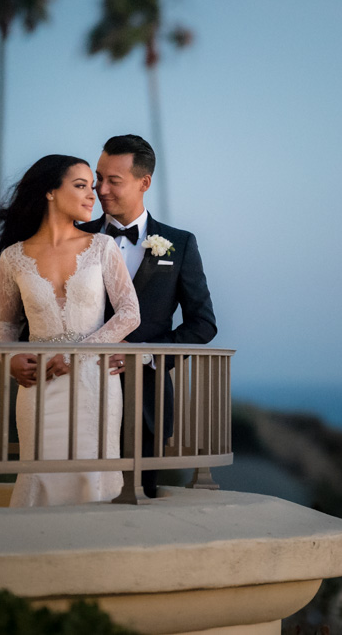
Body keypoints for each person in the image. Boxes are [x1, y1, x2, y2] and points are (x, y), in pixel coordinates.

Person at [0, 154, 140, 507]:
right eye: (81, 185)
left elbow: (130, 313)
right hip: (39, 384)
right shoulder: (12, 257)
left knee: (93, 473)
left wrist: (76, 354)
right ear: (50, 192)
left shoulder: (101, 247)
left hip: (95, 383)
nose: (93, 195)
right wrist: (8, 359)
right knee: (39, 472)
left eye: (93, 186)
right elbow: (6, 322)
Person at [77, 134, 216, 498]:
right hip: (77, 392)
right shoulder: (75, 238)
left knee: (136, 501)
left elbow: (203, 323)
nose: (100, 189)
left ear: (144, 182)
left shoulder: (180, 243)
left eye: (113, 180)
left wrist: (147, 354)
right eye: (98, 177)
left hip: (146, 401)